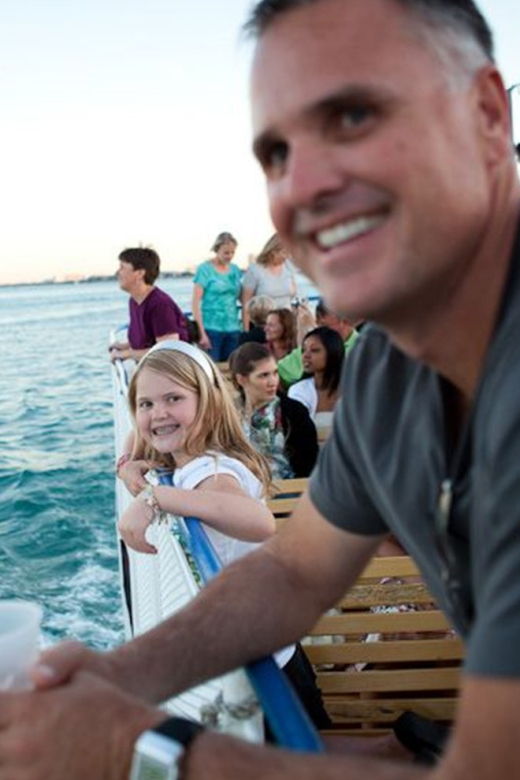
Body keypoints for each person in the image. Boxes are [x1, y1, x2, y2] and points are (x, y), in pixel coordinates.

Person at [3, 1, 520, 778]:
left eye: (352, 115)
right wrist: (119, 677)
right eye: (276, 153)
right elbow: (294, 569)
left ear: (486, 112)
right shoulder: (390, 369)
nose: (302, 185)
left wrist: (132, 746)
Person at [229, 342, 318, 479]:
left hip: (289, 490)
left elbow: (308, 464)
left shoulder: (294, 412)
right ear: (241, 379)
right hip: (240, 491)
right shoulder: (228, 414)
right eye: (264, 375)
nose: (273, 382)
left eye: (275, 373)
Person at [109, 247, 188, 362]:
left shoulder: (160, 304)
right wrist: (125, 346)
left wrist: (126, 354)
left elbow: (167, 352)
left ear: (140, 273)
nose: (117, 273)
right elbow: (146, 339)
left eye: (122, 267)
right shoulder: (134, 300)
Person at [278, 298, 358, 387]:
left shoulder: (363, 349)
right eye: (318, 325)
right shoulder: (312, 344)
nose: (320, 330)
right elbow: (280, 371)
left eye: (325, 326)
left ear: (345, 322)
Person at [191, 231, 242, 361]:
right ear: (216, 250)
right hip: (211, 328)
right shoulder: (205, 270)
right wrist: (201, 333)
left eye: (232, 252)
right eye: (226, 252)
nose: (229, 256)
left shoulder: (235, 270)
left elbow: (241, 297)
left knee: (232, 369)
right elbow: (195, 303)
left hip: (233, 327)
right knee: (211, 370)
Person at [287, 327, 344, 437]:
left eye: (314, 350)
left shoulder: (353, 390)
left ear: (333, 352)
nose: (306, 355)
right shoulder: (298, 390)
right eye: (303, 350)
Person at [241, 233, 297, 329]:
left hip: (287, 325)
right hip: (264, 326)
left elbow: (293, 295)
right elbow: (246, 304)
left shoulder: (288, 267)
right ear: (273, 251)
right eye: (284, 252)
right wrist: (246, 331)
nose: (287, 256)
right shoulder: (255, 270)